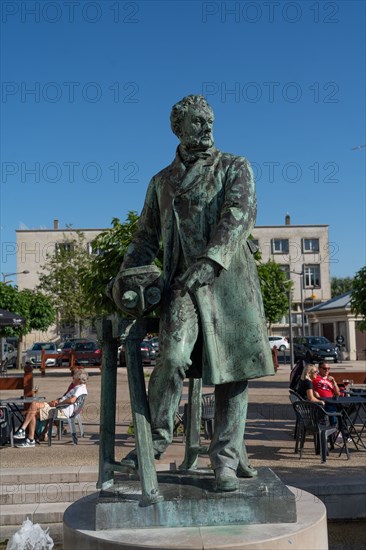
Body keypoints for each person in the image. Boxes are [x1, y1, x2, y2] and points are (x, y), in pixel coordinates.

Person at [112, 95, 274, 491]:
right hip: (181, 285)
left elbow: (238, 216)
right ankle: (155, 441)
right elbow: (145, 237)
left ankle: (225, 460)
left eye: (209, 121)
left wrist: (211, 259)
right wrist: (122, 278)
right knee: (171, 356)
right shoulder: (161, 182)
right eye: (197, 122)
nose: (206, 128)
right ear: (179, 128)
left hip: (229, 283)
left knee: (234, 373)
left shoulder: (235, 166)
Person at [13, 369, 88, 448]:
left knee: (32, 412)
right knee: (34, 405)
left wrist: (58, 403)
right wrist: (56, 401)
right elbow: (66, 398)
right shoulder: (78, 387)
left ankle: (28, 437)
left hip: (60, 409)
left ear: (79, 380)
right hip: (59, 407)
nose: (72, 379)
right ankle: (24, 432)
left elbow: (72, 400)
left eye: (74, 378)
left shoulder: (80, 388)